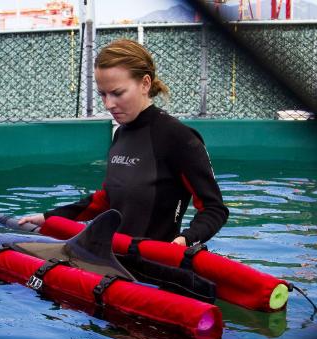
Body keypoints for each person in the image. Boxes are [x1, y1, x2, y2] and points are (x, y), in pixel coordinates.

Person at [18, 39, 228, 247]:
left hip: (155, 263)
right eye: (103, 94)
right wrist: (50, 217)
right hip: (112, 255)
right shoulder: (121, 134)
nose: (108, 104)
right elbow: (107, 200)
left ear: (145, 83)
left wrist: (185, 240)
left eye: (117, 93)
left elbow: (214, 209)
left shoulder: (179, 137)